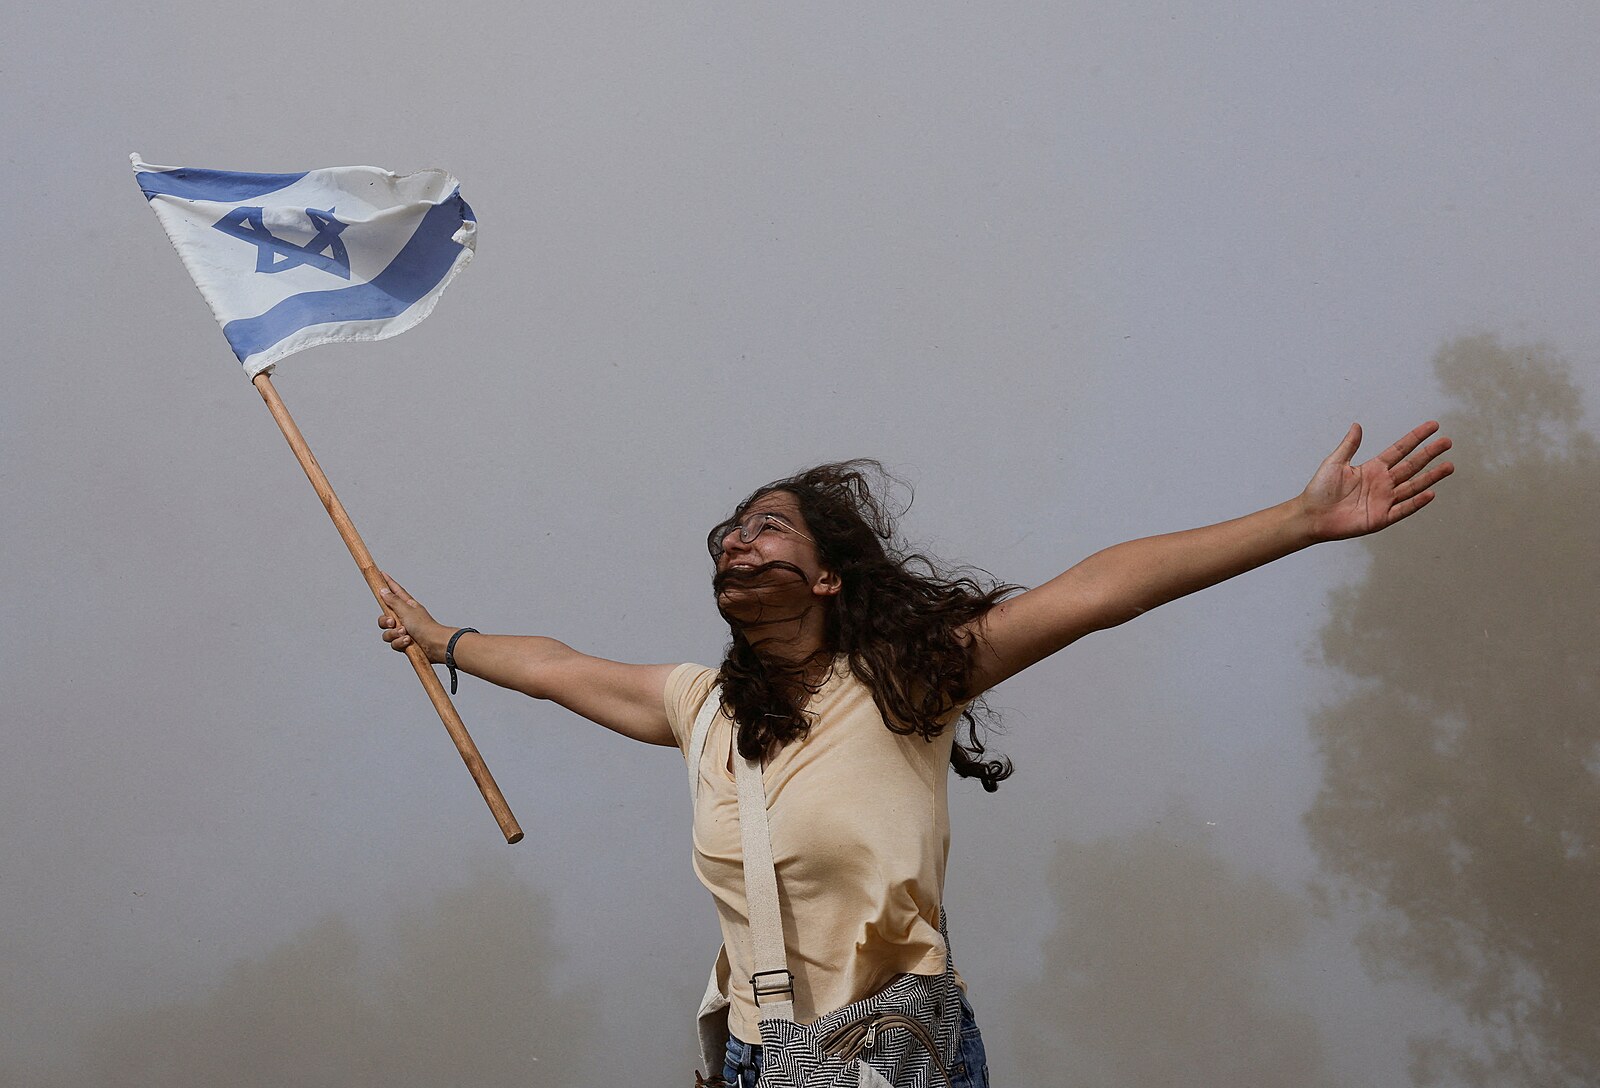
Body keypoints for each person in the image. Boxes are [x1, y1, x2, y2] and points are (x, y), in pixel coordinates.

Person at [377, 421, 1454, 1086]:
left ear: (828, 575)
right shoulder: (699, 706)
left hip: (897, 1060)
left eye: (765, 526)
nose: (737, 540)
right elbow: (555, 665)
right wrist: (440, 638)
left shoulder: (906, 682)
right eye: (728, 536)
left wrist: (1296, 520)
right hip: (755, 1065)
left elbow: (1097, 590)